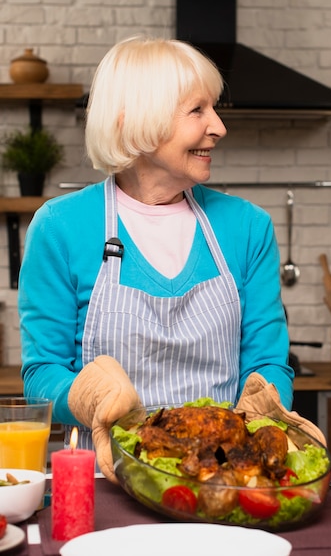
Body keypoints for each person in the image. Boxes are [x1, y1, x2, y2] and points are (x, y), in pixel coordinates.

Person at [19, 35, 295, 479]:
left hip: (220, 481)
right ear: (139, 123)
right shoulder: (61, 227)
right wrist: (95, 398)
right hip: (106, 481)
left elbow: (267, 363)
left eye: (214, 108)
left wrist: (256, 418)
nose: (219, 127)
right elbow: (41, 375)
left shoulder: (246, 227)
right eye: (197, 110)